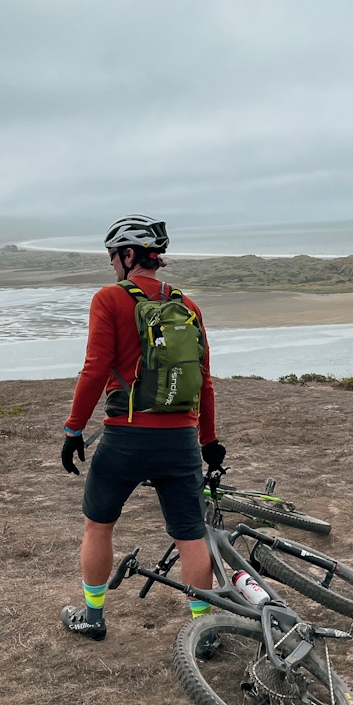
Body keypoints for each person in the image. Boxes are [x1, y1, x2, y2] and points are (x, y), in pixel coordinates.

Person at [59, 215, 225, 641]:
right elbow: (203, 378)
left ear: (129, 255)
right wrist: (209, 439)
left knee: (99, 524)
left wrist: (74, 429)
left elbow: (95, 368)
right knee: (190, 534)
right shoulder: (188, 306)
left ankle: (93, 616)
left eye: (113, 256)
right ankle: (203, 630)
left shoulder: (109, 299)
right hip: (181, 439)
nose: (111, 264)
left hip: (126, 438)